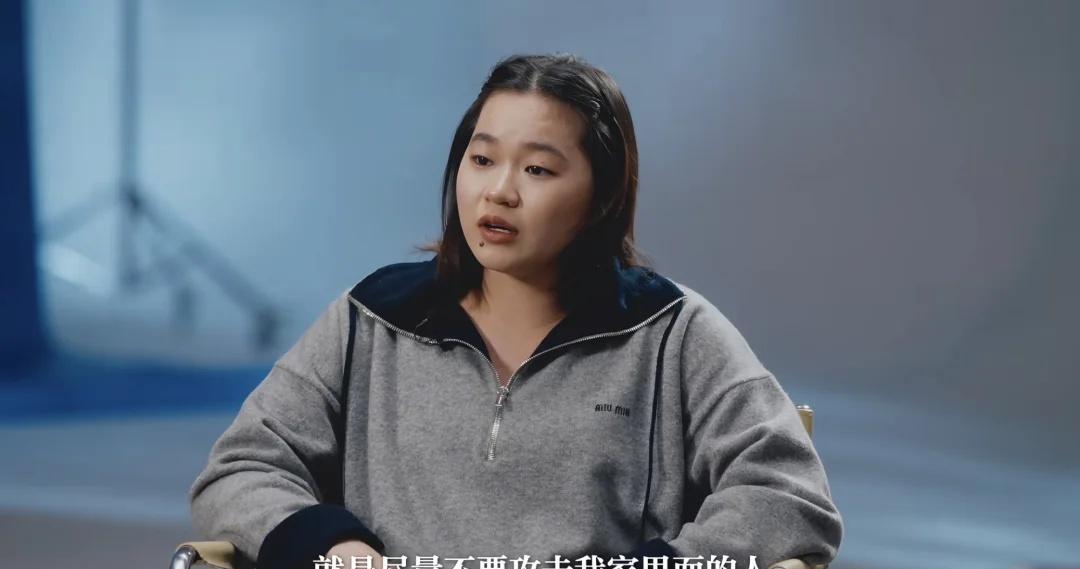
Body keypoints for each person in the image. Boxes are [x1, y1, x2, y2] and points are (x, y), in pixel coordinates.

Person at [189, 53, 843, 569]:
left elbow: (785, 493)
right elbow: (242, 467)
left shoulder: (672, 332)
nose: (498, 191)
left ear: (602, 195)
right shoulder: (374, 318)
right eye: (482, 159)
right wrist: (334, 547)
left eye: (537, 170)